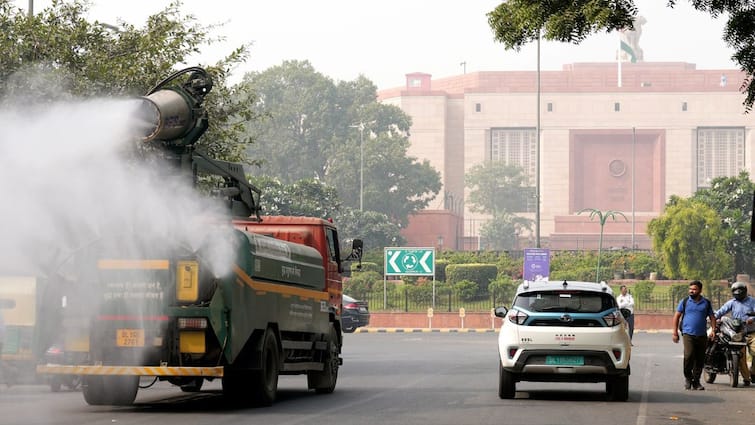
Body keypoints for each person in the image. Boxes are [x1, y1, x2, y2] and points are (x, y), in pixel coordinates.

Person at [672, 280, 716, 390]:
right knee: (689, 355)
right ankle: (688, 378)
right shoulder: (685, 301)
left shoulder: (706, 303)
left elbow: (712, 317)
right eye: (690, 289)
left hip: (702, 335)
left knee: (700, 359)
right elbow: (676, 316)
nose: (691, 291)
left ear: (700, 290)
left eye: (694, 289)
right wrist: (675, 333)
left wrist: (713, 330)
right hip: (688, 334)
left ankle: (696, 381)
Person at [713, 281, 755, 387]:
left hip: (752, 332)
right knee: (740, 357)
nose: (738, 293)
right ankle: (746, 378)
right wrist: (714, 317)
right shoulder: (732, 302)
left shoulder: (752, 301)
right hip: (738, 332)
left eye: (740, 291)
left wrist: (752, 319)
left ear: (745, 291)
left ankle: (753, 371)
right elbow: (721, 311)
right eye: (736, 291)